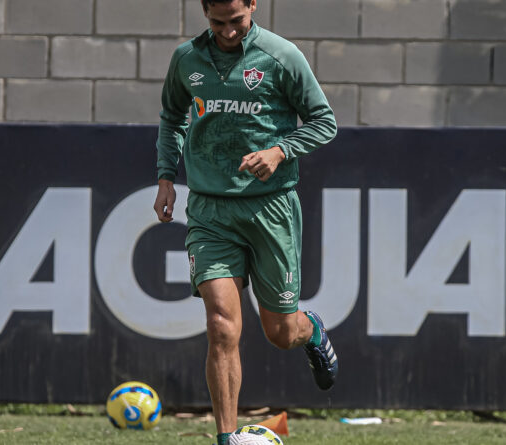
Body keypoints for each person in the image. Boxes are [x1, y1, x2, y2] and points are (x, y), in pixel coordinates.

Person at [153, 1, 338, 443]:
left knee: (280, 332)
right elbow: (172, 117)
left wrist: (279, 151)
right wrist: (165, 176)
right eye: (218, 22)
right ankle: (228, 438)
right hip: (210, 211)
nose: (229, 31)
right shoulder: (186, 59)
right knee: (221, 326)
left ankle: (309, 329)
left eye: (237, 20)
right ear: (204, 11)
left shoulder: (281, 56)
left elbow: (324, 121)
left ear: (252, 5)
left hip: (269, 209)